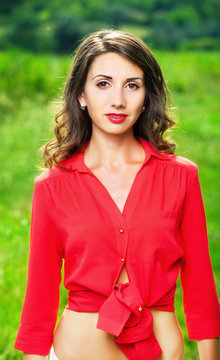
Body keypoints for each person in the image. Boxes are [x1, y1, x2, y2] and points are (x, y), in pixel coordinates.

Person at [14, 29, 220, 360]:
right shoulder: (52, 186)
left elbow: (200, 288)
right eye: (103, 84)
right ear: (81, 95)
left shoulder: (182, 176)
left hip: (160, 350)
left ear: (146, 96)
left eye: (132, 85)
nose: (118, 100)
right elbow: (40, 297)